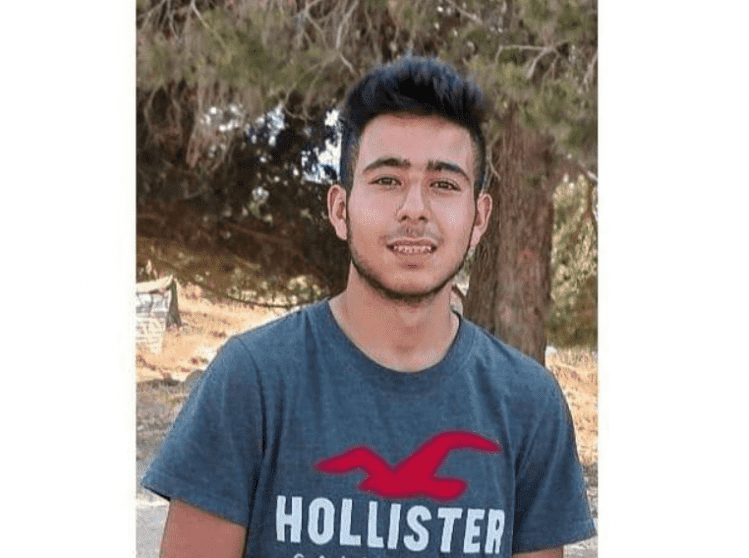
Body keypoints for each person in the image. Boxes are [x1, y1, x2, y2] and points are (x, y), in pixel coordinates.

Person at [142, 56, 596, 557]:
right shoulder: (252, 381)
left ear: (480, 218)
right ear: (340, 209)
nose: (414, 208)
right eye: (387, 180)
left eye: (444, 184)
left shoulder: (528, 404)